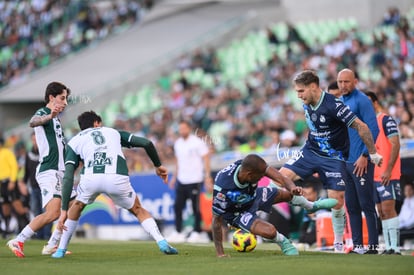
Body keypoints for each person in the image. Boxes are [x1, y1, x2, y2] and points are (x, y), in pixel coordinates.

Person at [279, 70, 382, 253]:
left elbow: (362, 126)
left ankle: (338, 243)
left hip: (334, 157)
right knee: (279, 178)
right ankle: (308, 205)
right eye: (297, 92)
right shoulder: (307, 101)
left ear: (313, 87)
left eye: (301, 91)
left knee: (337, 201)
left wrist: (371, 153)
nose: (298, 95)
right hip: (310, 151)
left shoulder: (334, 105)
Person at [51, 111, 177, 258]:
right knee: (138, 209)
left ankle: (60, 249)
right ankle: (161, 241)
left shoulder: (74, 141)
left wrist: (64, 209)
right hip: (116, 176)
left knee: (77, 207)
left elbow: (68, 177)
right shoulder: (113, 132)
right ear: (97, 123)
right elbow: (147, 143)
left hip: (91, 178)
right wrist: (157, 165)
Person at [212, 154, 338, 257]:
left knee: (287, 194)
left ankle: (311, 206)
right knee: (270, 231)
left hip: (254, 196)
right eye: (260, 176)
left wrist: (292, 187)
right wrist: (220, 253)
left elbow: (280, 177)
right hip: (237, 213)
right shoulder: (223, 189)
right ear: (249, 174)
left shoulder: (252, 166)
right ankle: (284, 243)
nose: (262, 178)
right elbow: (216, 221)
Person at [7, 82, 76, 258]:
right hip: (49, 170)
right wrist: (49, 116)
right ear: (51, 98)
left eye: (66, 99)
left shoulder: (56, 119)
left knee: (75, 205)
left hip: (60, 172)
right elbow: (32, 122)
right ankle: (19, 239)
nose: (65, 102)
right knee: (53, 213)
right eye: (62, 98)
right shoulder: (44, 113)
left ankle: (52, 244)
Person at [337, 69, 381, 254]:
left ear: (355, 81)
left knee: (366, 205)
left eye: (346, 81)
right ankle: (358, 245)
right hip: (345, 161)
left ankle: (372, 246)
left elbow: (373, 129)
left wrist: (365, 155)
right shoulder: (339, 102)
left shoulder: (362, 100)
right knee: (352, 206)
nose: (343, 85)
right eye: (340, 82)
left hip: (360, 160)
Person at [365, 91, 402, 255]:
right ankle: (388, 246)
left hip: (388, 174)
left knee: (388, 209)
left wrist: (388, 169)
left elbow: (395, 144)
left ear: (375, 102)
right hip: (374, 175)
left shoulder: (386, 120)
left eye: (367, 103)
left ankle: (395, 247)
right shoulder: (368, 123)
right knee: (380, 211)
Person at [168, 120, 212, 243]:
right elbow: (178, 161)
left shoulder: (197, 143)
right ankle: (178, 231)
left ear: (189, 128)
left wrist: (207, 176)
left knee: (195, 207)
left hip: (195, 179)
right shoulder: (177, 144)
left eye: (184, 128)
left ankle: (197, 232)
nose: (182, 131)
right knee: (177, 206)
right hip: (182, 179)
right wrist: (174, 177)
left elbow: (206, 158)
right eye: (180, 129)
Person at [23, 132, 53, 240]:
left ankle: (46, 235)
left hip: (45, 187)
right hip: (34, 187)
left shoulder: (46, 152)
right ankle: (39, 235)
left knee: (47, 212)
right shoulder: (29, 154)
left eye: (37, 140)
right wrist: (23, 184)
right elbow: (26, 171)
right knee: (36, 211)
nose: (35, 142)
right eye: (33, 140)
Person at [0, 135, 19, 237]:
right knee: (5, 205)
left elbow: (14, 166)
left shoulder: (7, 153)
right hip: (1, 183)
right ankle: (6, 230)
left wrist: (12, 181)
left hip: (9, 181)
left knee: (16, 205)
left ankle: (22, 227)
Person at [399, 182, 414, 249]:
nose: (407, 192)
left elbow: (412, 220)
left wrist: (402, 226)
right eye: (406, 190)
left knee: (398, 234)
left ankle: (399, 248)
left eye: (409, 190)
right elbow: (401, 216)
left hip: (411, 227)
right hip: (404, 226)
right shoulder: (405, 201)